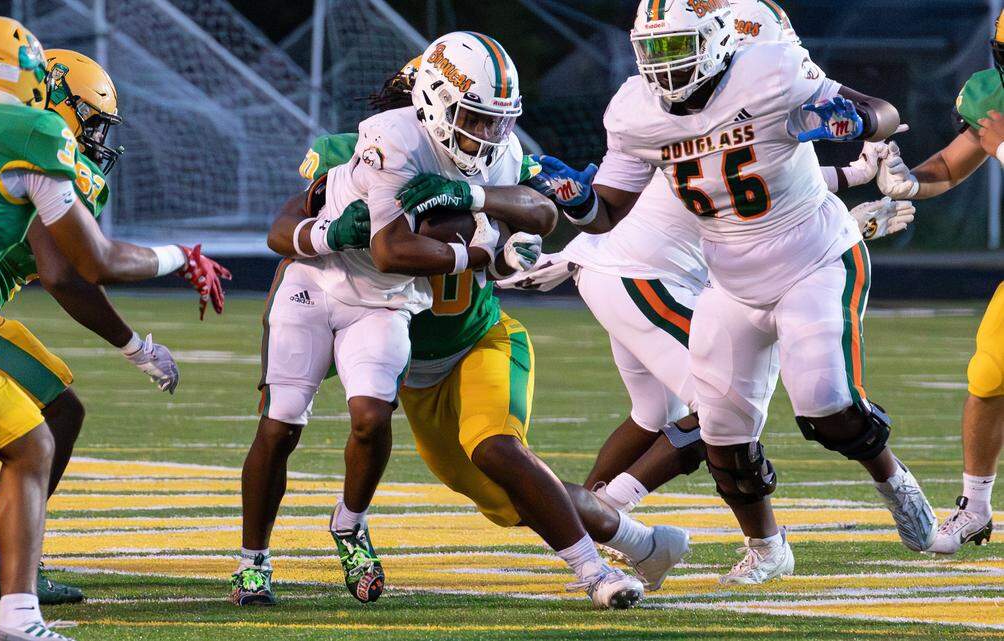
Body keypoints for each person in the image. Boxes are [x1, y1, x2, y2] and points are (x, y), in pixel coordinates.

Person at [260, 49, 690, 609]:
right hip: (414, 369)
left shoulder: (489, 157)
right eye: (473, 116)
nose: (481, 132)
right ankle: (644, 543)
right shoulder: (359, 154)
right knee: (516, 501)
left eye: (489, 119)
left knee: (498, 450)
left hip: (478, 338)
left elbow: (538, 208)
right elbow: (298, 251)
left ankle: (596, 574)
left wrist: (478, 205)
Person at [0, 16, 227, 641]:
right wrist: (177, 265)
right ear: (33, 85)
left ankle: (12, 609)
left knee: (27, 437)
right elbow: (82, 268)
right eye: (85, 117)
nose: (91, 135)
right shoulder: (31, 132)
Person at [552, 0, 935, 584]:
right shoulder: (635, 110)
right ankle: (767, 547)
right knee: (724, 436)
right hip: (728, 283)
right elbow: (606, 213)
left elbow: (882, 111)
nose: (664, 66)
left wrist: (855, 124)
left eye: (678, 48)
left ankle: (894, 481)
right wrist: (575, 201)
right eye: (653, 50)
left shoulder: (770, 70)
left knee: (826, 405)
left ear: (718, 40)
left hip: (813, 259)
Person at [875, 8, 1004, 554]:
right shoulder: (991, 96)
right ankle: (974, 506)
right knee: (989, 375)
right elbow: (950, 167)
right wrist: (909, 182)